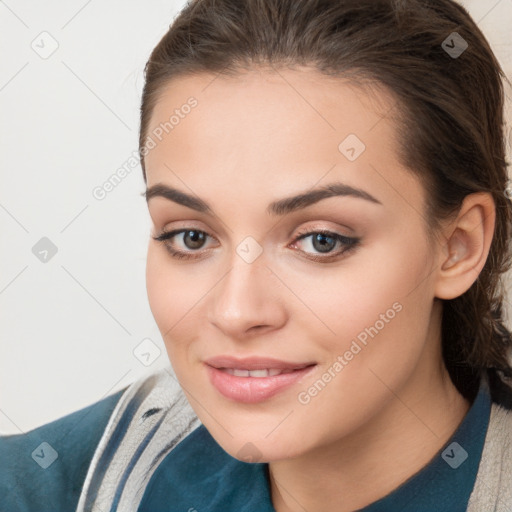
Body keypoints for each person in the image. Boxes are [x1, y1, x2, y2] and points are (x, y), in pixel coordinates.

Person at [2, 0, 512, 510]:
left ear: (458, 246)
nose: (236, 311)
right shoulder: (55, 488)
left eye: (321, 240)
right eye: (191, 237)